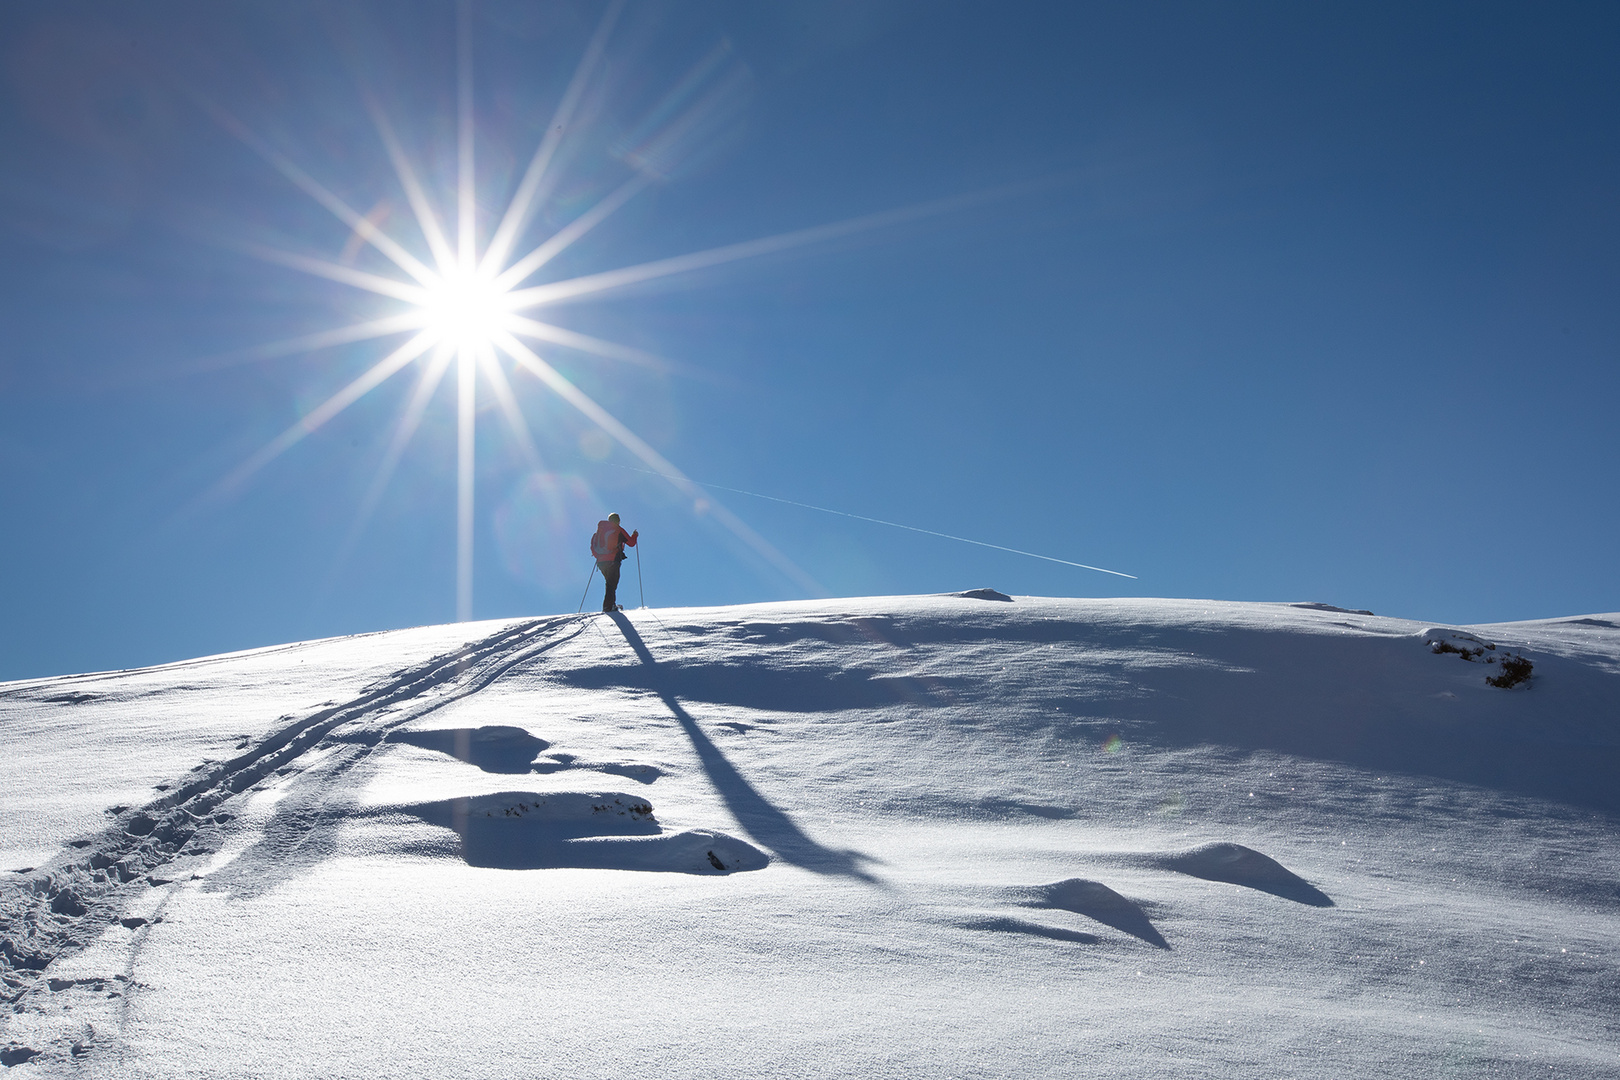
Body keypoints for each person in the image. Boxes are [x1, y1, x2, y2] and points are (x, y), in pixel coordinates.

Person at [590, 513, 638, 612]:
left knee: (610, 583)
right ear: (618, 521)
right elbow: (631, 543)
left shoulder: (599, 532)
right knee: (612, 584)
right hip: (613, 560)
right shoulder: (618, 530)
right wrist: (635, 535)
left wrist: (600, 557)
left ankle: (611, 604)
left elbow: (593, 546)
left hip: (601, 562)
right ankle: (608, 607)